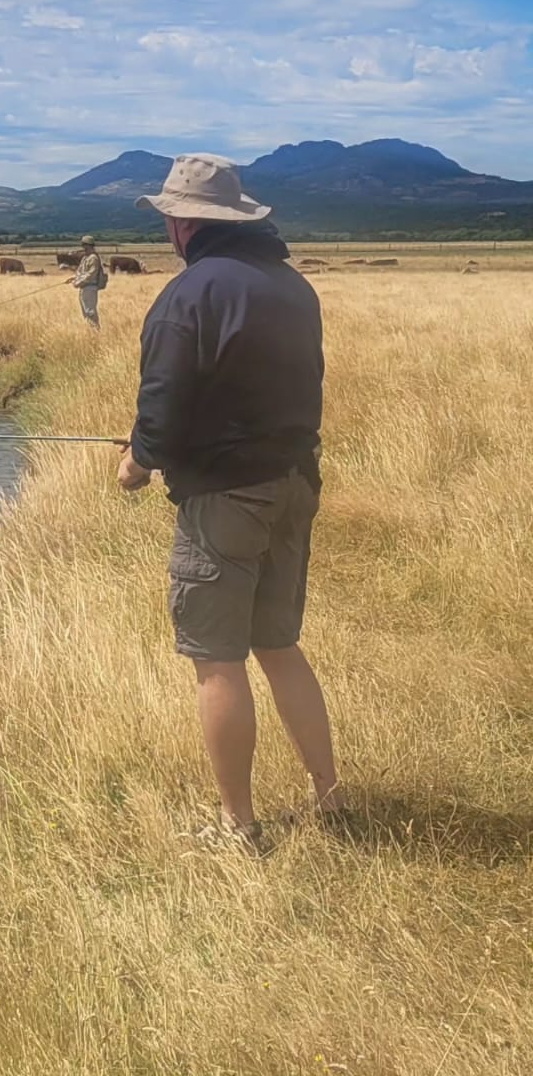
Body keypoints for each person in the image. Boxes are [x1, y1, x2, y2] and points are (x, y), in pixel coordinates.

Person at [116, 153, 343, 850]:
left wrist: (137, 460)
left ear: (184, 224)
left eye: (169, 220)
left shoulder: (191, 294)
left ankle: (238, 828)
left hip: (225, 497)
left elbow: (164, 395)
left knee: (218, 662)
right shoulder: (293, 287)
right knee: (280, 646)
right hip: (295, 484)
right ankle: (330, 798)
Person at [67, 234, 107, 330]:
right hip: (84, 288)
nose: (83, 247)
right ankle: (90, 331)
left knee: (90, 311)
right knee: (85, 312)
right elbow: (80, 272)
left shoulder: (93, 258)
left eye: (84, 245)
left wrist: (78, 283)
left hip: (90, 287)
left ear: (89, 245)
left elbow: (91, 274)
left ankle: (96, 331)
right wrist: (73, 278)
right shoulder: (85, 258)